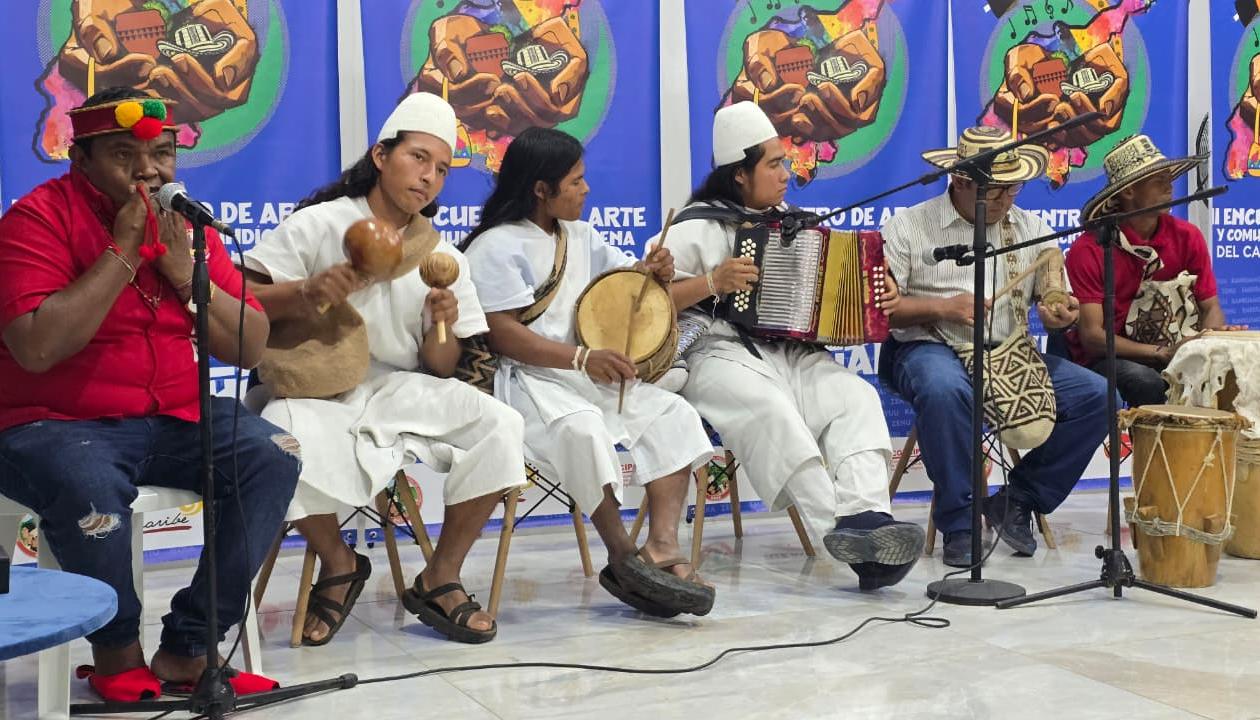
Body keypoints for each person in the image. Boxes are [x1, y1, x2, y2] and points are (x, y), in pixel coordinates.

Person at [0, 88, 297, 701]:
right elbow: (36, 348)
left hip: (170, 414)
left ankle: (191, 647)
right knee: (86, 479)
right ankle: (116, 653)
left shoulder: (186, 223)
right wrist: (125, 251)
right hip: (52, 420)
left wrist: (183, 271)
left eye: (162, 154)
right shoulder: (35, 220)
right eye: (123, 155)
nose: (148, 172)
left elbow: (250, 345)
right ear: (79, 160)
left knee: (275, 453)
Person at [243, 93, 526, 645]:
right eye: (419, 158)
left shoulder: (443, 255)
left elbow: (440, 368)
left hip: (397, 385)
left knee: (501, 425)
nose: (430, 177)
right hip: (316, 383)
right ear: (380, 154)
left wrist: (440, 323)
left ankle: (440, 576)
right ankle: (338, 561)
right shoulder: (319, 224)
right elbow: (241, 299)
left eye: (442, 169)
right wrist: (306, 291)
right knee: (278, 438)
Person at [663, 101, 925, 591]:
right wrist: (712, 281)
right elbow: (649, 305)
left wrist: (876, 297)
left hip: (794, 354)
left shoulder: (795, 223)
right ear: (740, 175)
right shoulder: (692, 228)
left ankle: (868, 516)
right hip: (716, 353)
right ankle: (849, 537)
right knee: (771, 410)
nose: (787, 173)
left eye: (784, 161)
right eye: (773, 164)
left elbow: (829, 301)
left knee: (857, 398)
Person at [463, 127, 716, 618]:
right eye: (576, 181)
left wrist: (655, 273)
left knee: (672, 414)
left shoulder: (580, 236)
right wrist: (581, 359)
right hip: (530, 379)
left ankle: (662, 546)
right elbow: (502, 335)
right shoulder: (494, 247)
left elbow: (626, 286)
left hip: (590, 373)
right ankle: (623, 555)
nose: (586, 189)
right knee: (581, 430)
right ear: (541, 189)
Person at [881, 125, 1109, 567]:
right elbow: (885, 314)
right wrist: (943, 308)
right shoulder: (908, 227)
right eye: (998, 192)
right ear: (961, 181)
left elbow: (1053, 294)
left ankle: (1018, 498)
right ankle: (961, 523)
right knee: (946, 389)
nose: (1008, 202)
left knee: (1100, 396)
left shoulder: (1031, 229)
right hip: (926, 347)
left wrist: (1060, 312)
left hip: (1008, 355)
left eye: (1014, 190)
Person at [1065, 134, 1247, 408]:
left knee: (1229, 369)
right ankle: (1153, 449)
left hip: (1178, 348)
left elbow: (1210, 306)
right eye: (1158, 179)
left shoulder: (1187, 236)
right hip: (1109, 358)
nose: (1169, 185)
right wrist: (1162, 353)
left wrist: (1207, 343)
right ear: (1128, 192)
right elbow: (1092, 337)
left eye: (1169, 177)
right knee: (1146, 381)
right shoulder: (1090, 249)